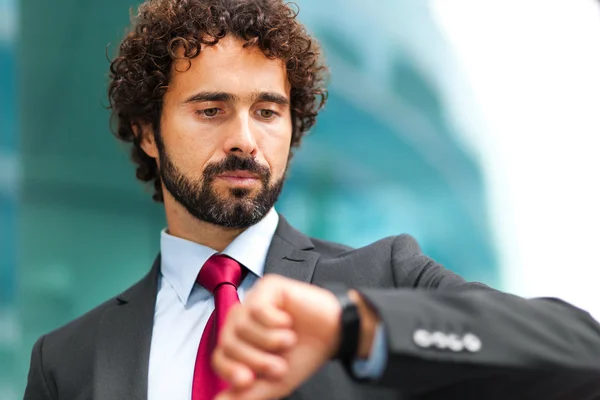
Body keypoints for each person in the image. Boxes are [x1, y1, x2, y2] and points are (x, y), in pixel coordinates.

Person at [23, 0, 600, 399]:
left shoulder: (382, 278)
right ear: (148, 132)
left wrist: (355, 328)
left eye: (268, 111)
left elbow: (579, 351)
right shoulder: (67, 358)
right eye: (211, 109)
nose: (245, 139)